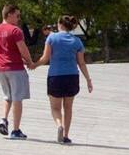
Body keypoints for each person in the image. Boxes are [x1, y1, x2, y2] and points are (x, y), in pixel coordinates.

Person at [36, 16, 91, 145]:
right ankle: (66, 135)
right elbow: (81, 63)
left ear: (60, 24)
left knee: (55, 108)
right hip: (72, 76)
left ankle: (59, 125)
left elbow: (45, 58)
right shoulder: (77, 41)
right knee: (68, 108)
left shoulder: (52, 38)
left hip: (55, 76)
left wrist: (33, 65)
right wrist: (88, 79)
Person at [0, 5, 36, 140]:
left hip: (0, 68)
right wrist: (29, 61)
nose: (18, 19)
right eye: (17, 15)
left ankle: (3, 119)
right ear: (10, 14)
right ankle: (16, 130)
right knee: (18, 98)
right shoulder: (15, 31)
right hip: (15, 68)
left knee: (7, 96)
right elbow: (22, 48)